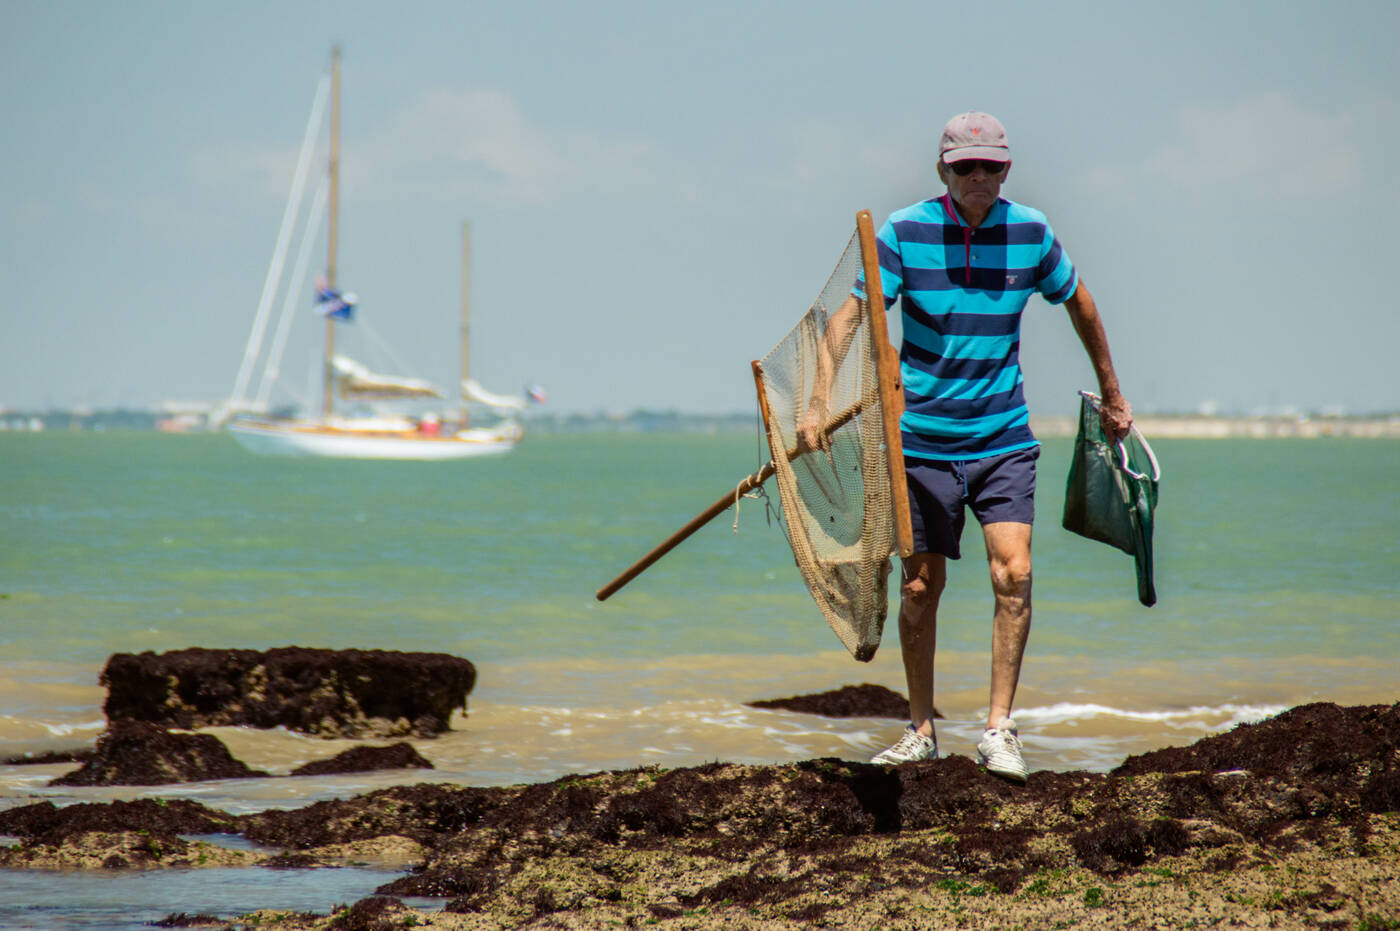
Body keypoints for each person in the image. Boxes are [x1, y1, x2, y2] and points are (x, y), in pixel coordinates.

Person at [797, 111, 1132, 781]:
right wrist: (816, 399)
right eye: (965, 167)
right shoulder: (904, 231)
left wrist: (1112, 390)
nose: (979, 177)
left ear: (1006, 168)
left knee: (1016, 573)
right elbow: (853, 313)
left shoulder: (1030, 232)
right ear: (943, 170)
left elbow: (1080, 302)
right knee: (922, 585)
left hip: (1002, 436)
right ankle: (920, 728)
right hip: (920, 440)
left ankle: (998, 727)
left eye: (992, 166)